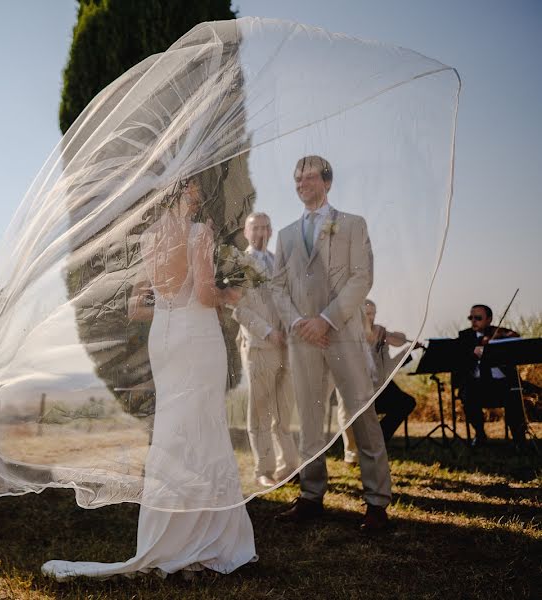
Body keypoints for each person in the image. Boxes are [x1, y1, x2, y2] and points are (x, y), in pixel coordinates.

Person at [41, 178, 257, 580]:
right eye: (195, 188)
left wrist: (171, 301)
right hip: (197, 335)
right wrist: (233, 291)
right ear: (184, 191)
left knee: (174, 429)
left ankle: (171, 536)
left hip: (165, 337)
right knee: (203, 428)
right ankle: (204, 541)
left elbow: (137, 305)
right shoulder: (198, 233)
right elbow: (207, 296)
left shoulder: (149, 239)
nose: (199, 194)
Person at [271, 156, 392, 532]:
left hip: (343, 334)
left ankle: (376, 502)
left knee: (361, 415)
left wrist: (326, 319)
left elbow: (362, 278)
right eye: (296, 178)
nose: (301, 183)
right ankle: (311, 495)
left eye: (308, 177)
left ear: (327, 182)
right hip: (302, 338)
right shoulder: (286, 234)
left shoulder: (353, 225)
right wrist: (297, 322)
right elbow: (276, 286)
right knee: (309, 417)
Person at [232, 212, 299, 487]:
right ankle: (264, 470)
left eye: (264, 227)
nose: (260, 232)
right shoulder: (239, 264)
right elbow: (238, 309)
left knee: (284, 408)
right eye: (254, 228)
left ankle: (290, 466)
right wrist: (269, 332)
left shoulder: (279, 262)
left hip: (289, 346)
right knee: (261, 411)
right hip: (261, 344)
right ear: (246, 233)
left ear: (271, 231)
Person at [455, 304, 526, 449]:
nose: (474, 321)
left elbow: (515, 337)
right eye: (471, 318)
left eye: (478, 318)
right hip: (476, 383)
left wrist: (500, 337)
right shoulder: (465, 336)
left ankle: (519, 439)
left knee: (514, 393)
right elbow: (462, 363)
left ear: (489, 319)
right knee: (467, 394)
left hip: (501, 383)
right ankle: (480, 434)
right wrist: (479, 348)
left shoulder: (497, 333)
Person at [363, 299, 417, 443]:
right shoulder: (350, 336)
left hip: (379, 385)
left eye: (373, 314)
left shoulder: (380, 337)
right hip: (359, 388)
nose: (371, 318)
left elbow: (389, 367)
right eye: (367, 314)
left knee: (407, 402)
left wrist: (407, 351)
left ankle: (379, 436)